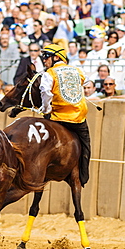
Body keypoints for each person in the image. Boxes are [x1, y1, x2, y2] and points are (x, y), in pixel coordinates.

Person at [39, 44, 90, 187]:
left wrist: (46, 109)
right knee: (86, 145)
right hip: (78, 118)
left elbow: (45, 92)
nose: (44, 60)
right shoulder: (78, 71)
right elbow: (86, 81)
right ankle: (83, 175)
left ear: (56, 57)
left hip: (57, 117)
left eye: (46, 56)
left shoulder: (49, 73)